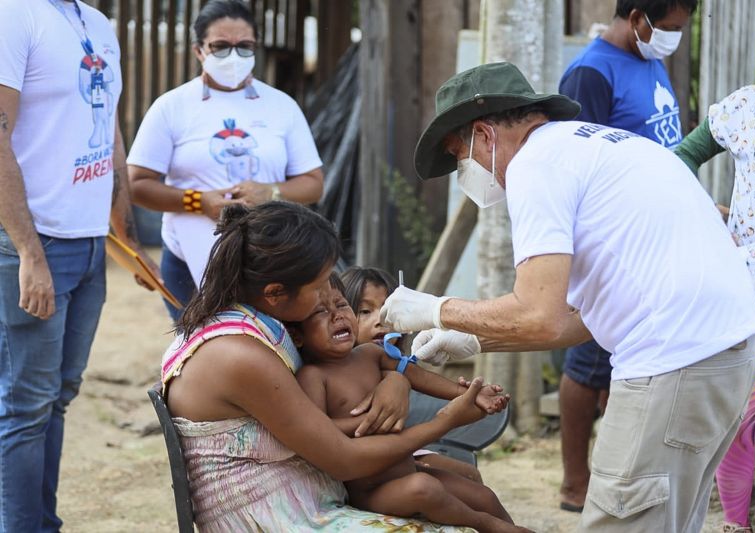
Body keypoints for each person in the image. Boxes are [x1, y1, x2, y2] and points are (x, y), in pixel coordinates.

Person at [379, 61, 755, 532]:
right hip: (727, 353)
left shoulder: (535, 167)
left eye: (461, 157)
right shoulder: (593, 147)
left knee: (622, 517)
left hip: (673, 361)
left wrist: (435, 310)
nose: (467, 173)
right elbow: (572, 317)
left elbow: (538, 315)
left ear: (485, 135)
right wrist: (474, 337)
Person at [161, 200, 492, 532]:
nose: (328, 294)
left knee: (463, 494)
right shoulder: (239, 355)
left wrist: (399, 379)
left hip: (308, 493)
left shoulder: (256, 324)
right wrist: (445, 421)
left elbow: (354, 370)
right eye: (319, 287)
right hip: (276, 517)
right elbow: (344, 459)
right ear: (275, 293)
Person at [0, 1, 160, 530]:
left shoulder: (98, 24)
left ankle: (41, 521)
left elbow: (108, 131)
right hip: (37, 241)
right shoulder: (13, 15)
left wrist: (130, 241)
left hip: (90, 242)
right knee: (27, 404)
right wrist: (28, 253)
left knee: (59, 395)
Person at [556, 0, 697, 513]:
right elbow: (574, 164)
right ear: (638, 18)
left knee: (624, 359)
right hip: (618, 243)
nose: (675, 38)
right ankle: (574, 481)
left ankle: (617, 473)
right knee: (589, 359)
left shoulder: (648, 59)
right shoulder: (589, 74)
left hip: (657, 238)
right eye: (672, 28)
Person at [674, 2, 755, 530]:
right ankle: (733, 524)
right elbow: (682, 158)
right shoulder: (749, 106)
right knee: (741, 421)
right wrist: (706, 212)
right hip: (750, 291)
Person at [128, 0, 323, 321]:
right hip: (190, 256)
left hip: (271, 256)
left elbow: (313, 184)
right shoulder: (172, 107)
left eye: (244, 47)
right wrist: (197, 201)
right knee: (202, 350)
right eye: (220, 47)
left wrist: (271, 193)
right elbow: (137, 185)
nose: (233, 57)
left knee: (272, 346)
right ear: (198, 51)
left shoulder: (281, 106)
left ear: (256, 48)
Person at [291, 273, 525, 532]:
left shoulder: (370, 354)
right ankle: (487, 525)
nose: (337, 315)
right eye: (321, 311)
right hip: (371, 490)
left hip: (407, 466)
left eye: (341, 304)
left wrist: (467, 393)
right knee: (424, 489)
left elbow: (414, 374)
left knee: (484, 497)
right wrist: (367, 420)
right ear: (297, 336)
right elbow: (318, 430)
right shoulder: (313, 376)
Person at [341, 265, 486, 483]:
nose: (381, 320)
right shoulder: (333, 369)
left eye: (388, 309)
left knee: (470, 474)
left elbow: (425, 379)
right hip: (356, 460)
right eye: (365, 311)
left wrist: (469, 393)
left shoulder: (395, 364)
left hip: (402, 449)